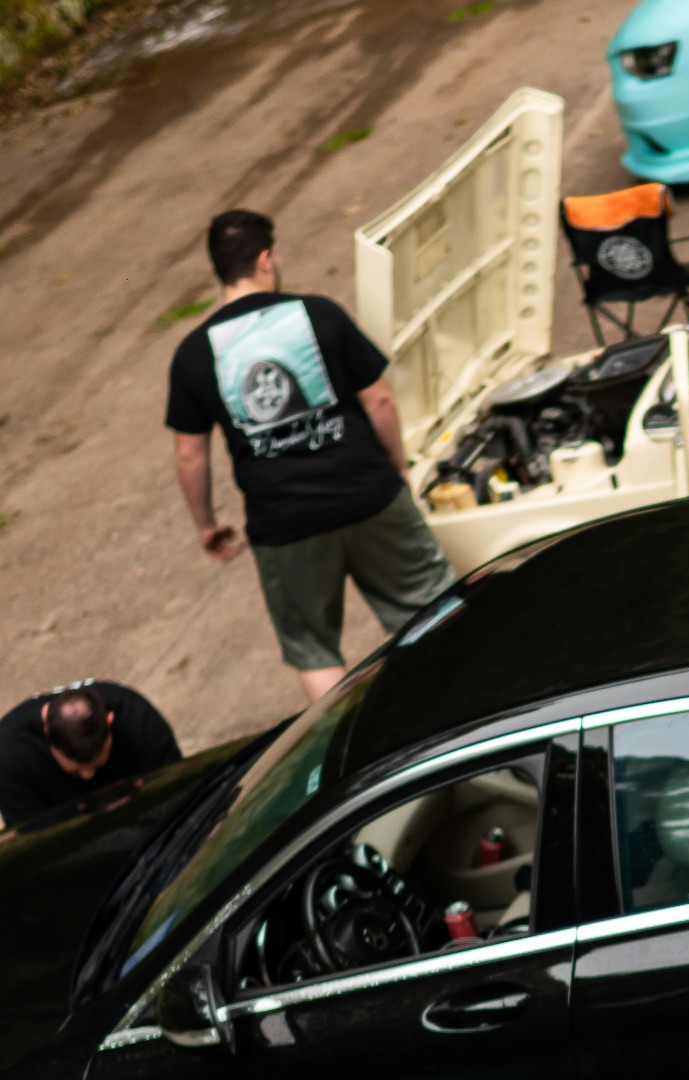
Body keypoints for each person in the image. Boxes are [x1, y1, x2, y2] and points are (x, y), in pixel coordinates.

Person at [167, 210, 456, 702]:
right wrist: (398, 468)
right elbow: (379, 401)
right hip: (368, 495)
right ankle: (464, 708)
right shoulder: (318, 313)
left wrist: (206, 524)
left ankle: (350, 740)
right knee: (431, 609)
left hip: (285, 523)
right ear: (265, 260)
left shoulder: (194, 352)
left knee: (314, 651)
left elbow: (190, 453)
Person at [0, 681, 180, 826]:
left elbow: (178, 795)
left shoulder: (139, 721)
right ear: (46, 728)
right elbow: (34, 842)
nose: (88, 776)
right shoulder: (9, 758)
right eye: (75, 771)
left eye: (98, 765)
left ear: (110, 721)